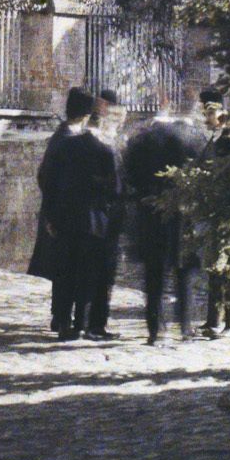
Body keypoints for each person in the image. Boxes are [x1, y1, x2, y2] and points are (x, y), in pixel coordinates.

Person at [33, 87, 118, 342]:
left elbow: (45, 178)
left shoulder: (65, 140)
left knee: (65, 270)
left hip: (62, 216)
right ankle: (68, 320)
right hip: (75, 218)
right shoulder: (70, 140)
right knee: (72, 271)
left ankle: (63, 319)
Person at [123, 91, 208, 344]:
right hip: (185, 212)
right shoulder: (196, 139)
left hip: (151, 212)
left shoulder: (144, 137)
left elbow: (130, 174)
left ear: (166, 104)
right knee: (185, 272)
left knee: (154, 274)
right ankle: (185, 325)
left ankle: (155, 330)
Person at [199, 87, 230, 337]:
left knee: (228, 265)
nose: (205, 119)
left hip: (226, 207)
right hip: (213, 206)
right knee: (214, 265)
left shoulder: (227, 139)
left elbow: (225, 171)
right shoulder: (216, 136)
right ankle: (213, 319)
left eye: (208, 113)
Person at [85, 88, 127, 341]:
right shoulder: (105, 146)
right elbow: (114, 185)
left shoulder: (98, 142)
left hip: (98, 216)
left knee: (96, 271)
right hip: (105, 216)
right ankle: (95, 325)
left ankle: (88, 322)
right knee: (102, 272)